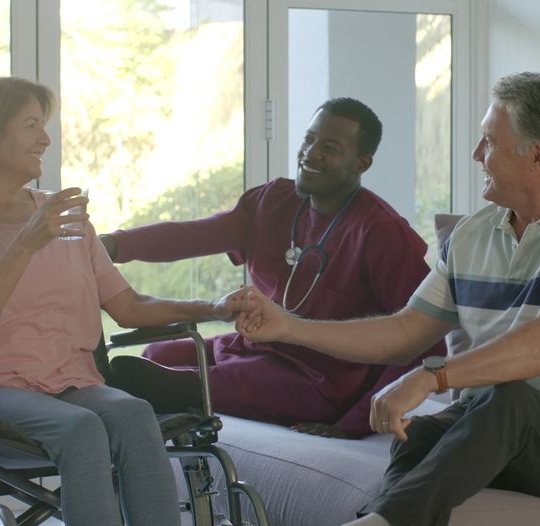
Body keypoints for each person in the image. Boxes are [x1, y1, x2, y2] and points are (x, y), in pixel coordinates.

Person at [236, 72, 540, 526]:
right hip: (494, 435)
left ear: (536, 157)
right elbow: (404, 330)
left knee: (505, 396)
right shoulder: (472, 236)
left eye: (490, 142)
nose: (476, 154)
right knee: (421, 433)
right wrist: (289, 326)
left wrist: (432, 377)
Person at [0, 75, 249, 526]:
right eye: (31, 125)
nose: (45, 139)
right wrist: (25, 243)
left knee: (133, 413)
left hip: (68, 380)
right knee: (82, 429)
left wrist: (212, 308)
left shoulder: (63, 218)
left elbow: (128, 306)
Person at [99, 97, 443, 439]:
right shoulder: (273, 201)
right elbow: (194, 235)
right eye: (309, 139)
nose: (311, 153)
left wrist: (354, 421)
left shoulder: (381, 232)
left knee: (166, 382)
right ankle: (167, 393)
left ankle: (177, 392)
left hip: (321, 381)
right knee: (158, 354)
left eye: (330, 147)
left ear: (362, 163)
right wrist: (112, 245)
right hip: (257, 348)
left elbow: (423, 339)